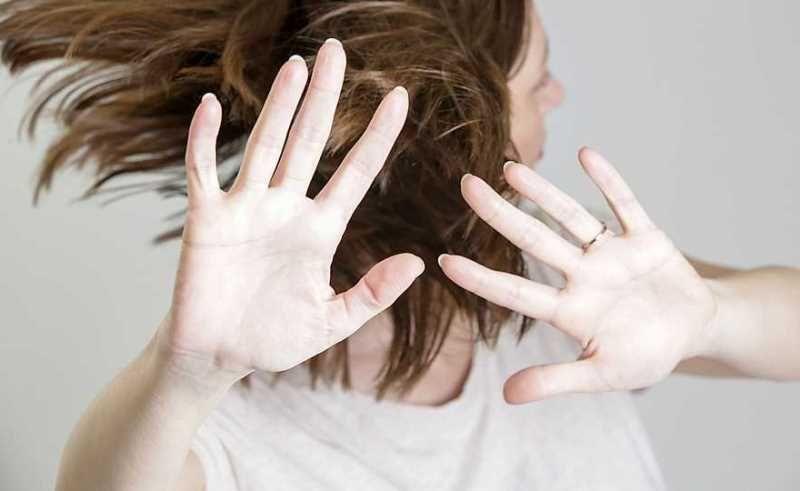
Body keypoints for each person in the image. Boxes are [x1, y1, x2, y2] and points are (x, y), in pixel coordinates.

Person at [1, 0, 798, 489]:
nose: (558, 95)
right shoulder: (219, 435)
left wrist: (712, 317)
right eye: (537, 79)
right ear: (461, 128)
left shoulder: (574, 285)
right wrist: (183, 373)